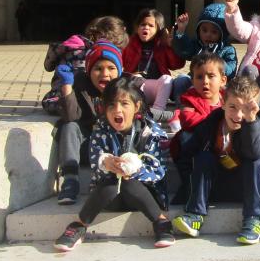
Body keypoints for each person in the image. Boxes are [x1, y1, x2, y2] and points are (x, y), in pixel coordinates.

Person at [54, 78, 175, 251]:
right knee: (111, 182)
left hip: (144, 195)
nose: (117, 110)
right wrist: (106, 162)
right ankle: (79, 225)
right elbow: (96, 164)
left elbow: (158, 171)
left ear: (137, 106)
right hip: (111, 197)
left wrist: (135, 169)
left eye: (124, 103)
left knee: (128, 181)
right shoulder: (100, 131)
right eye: (111, 105)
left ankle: (161, 222)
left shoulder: (151, 132)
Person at [172, 75, 260, 245]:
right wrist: (189, 186)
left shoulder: (259, 126)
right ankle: (195, 216)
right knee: (203, 157)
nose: (238, 115)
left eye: (245, 109)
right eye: (233, 107)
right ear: (223, 103)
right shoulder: (211, 123)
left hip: (244, 188)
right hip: (214, 186)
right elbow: (187, 155)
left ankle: (253, 220)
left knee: (256, 163)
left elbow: (255, 153)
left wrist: (251, 121)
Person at [53, 40, 124, 204]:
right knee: (69, 127)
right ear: (89, 70)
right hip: (89, 146)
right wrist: (67, 86)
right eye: (98, 68)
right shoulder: (80, 84)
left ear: (119, 71)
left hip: (114, 148)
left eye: (111, 68)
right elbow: (70, 116)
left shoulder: (124, 88)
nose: (105, 74)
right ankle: (70, 179)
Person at [169, 51, 228, 202]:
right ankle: (189, 186)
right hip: (196, 150)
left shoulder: (228, 100)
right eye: (199, 77)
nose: (205, 81)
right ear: (193, 81)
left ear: (223, 80)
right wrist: (216, 120)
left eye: (211, 76)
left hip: (221, 148)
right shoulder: (190, 99)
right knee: (186, 135)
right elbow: (188, 120)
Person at [40, 15, 128, 116]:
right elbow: (86, 84)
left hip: (59, 92)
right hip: (66, 95)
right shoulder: (85, 54)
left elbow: (48, 65)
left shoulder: (76, 46)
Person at [122, 8, 184, 122]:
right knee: (130, 78)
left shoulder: (162, 45)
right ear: (137, 27)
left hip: (155, 88)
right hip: (135, 87)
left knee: (167, 79)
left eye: (151, 26)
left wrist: (171, 46)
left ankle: (156, 112)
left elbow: (177, 64)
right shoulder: (130, 43)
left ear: (158, 30)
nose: (146, 27)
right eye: (142, 24)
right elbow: (120, 60)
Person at [171, 3, 238, 99]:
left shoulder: (227, 49)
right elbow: (183, 50)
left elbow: (231, 70)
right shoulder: (197, 45)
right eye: (204, 30)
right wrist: (181, 30)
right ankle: (181, 104)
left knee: (230, 90)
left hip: (216, 85)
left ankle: (216, 106)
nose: (208, 35)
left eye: (214, 32)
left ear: (223, 33)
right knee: (181, 80)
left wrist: (216, 62)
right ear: (199, 30)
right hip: (196, 82)